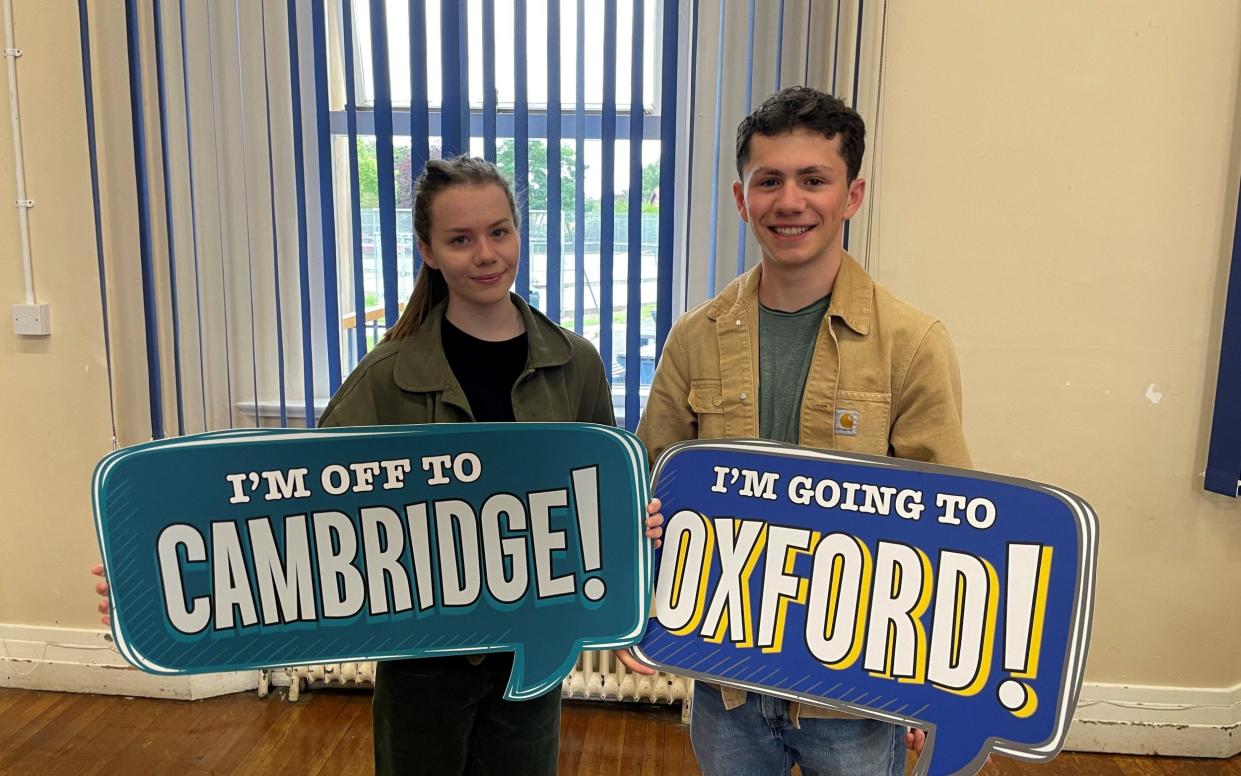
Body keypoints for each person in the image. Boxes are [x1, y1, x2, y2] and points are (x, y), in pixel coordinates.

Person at [94, 155, 663, 776]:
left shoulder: (575, 362)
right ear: (427, 250)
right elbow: (293, 507)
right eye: (460, 239)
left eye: (499, 231)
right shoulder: (385, 376)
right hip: (421, 663)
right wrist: (150, 576)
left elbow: (603, 499)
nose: (486, 254)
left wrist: (638, 533)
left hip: (534, 653)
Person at [635, 86, 971, 775]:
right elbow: (649, 480)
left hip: (852, 697)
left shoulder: (911, 343)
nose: (790, 202)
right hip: (724, 683)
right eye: (769, 181)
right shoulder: (694, 339)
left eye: (813, 179)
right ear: (741, 198)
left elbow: (947, 532)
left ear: (851, 195)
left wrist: (929, 688)